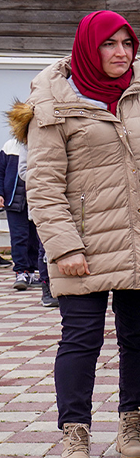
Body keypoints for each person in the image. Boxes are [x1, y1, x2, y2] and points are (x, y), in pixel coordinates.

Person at [25, 11, 140, 458]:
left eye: (128, 43)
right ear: (88, 47)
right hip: (83, 244)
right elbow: (43, 184)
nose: (121, 53)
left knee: (139, 337)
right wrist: (64, 246)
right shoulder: (53, 103)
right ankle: (74, 434)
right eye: (110, 44)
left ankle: (132, 424)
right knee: (81, 339)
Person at [3, 102, 56, 308]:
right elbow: (15, 171)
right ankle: (30, 277)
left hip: (45, 198)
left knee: (39, 240)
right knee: (26, 238)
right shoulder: (18, 144)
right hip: (25, 198)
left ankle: (38, 274)